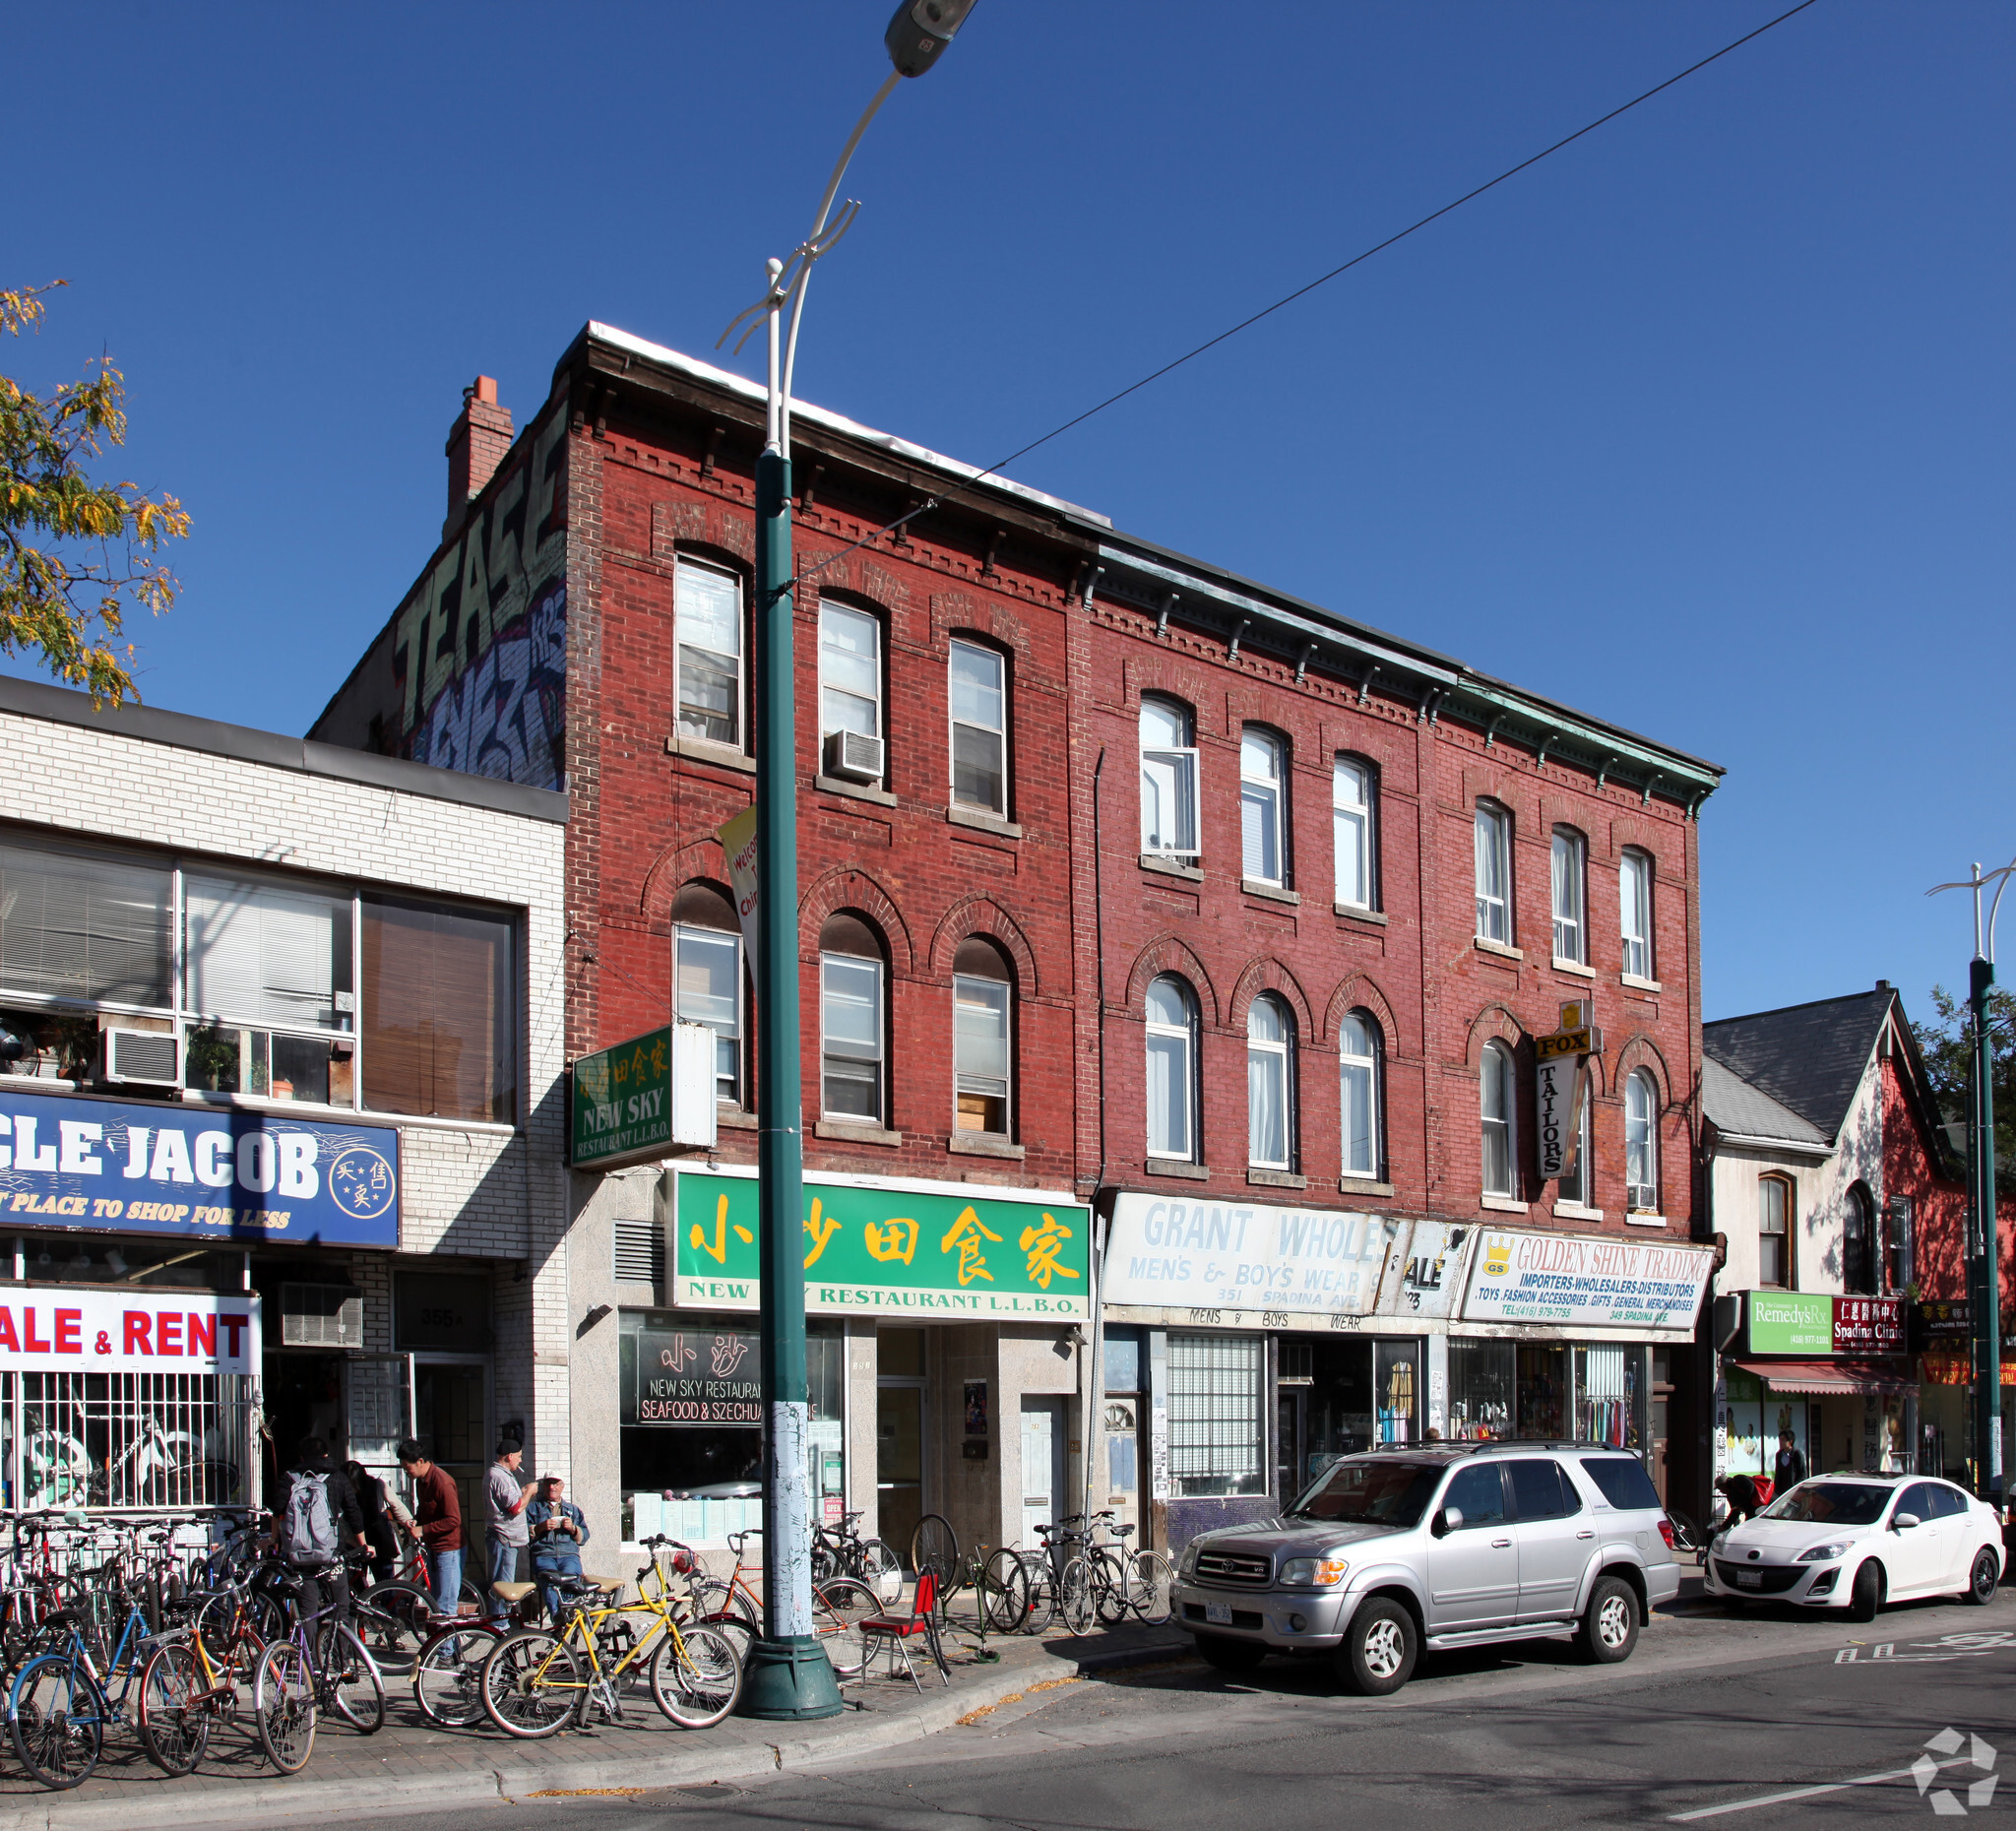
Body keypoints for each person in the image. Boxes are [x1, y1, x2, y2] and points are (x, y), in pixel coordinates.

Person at [277, 1436, 367, 1637]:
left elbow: (279, 1512)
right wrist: (364, 1544)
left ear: (302, 1456)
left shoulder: (289, 1478)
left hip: (301, 1557)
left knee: (308, 1612)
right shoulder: (338, 1477)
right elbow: (353, 1512)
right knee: (341, 1607)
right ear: (326, 1455)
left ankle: (312, 1665)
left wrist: (276, 1543)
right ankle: (339, 1658)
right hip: (331, 1555)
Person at [398, 1436, 465, 1614]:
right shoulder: (421, 1480)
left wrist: (423, 1529)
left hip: (448, 1549)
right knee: (436, 1603)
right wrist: (417, 1520)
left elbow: (453, 1519)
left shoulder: (442, 1481)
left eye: (407, 1467)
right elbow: (427, 1508)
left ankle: (445, 1643)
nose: (406, 1472)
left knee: (445, 1605)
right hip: (434, 1547)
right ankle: (447, 1642)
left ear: (420, 1461)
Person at [525, 1475, 590, 1625]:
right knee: (550, 1582)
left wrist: (573, 1528)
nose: (551, 1487)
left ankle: (567, 1615)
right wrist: (539, 1528)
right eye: (548, 1484)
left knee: (571, 1578)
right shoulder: (533, 1508)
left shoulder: (572, 1510)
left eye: (555, 1484)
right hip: (544, 1554)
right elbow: (522, 1534)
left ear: (562, 1486)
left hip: (569, 1554)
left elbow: (585, 1536)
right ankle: (559, 1619)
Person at [485, 1440, 536, 1617]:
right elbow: (515, 1508)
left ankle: (500, 1620)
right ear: (510, 1456)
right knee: (503, 1584)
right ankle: (500, 1622)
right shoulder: (499, 1476)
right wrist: (529, 1492)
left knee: (503, 1581)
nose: (520, 1461)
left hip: (506, 1539)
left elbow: (511, 1501)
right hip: (504, 1539)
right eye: (519, 1457)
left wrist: (522, 1493)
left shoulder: (501, 1475)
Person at [345, 1459, 402, 1584]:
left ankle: (362, 1601)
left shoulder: (346, 1491)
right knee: (385, 1581)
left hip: (356, 1541)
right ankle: (387, 1602)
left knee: (356, 1584)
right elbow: (397, 1505)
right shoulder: (377, 1485)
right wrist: (409, 1523)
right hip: (379, 1538)